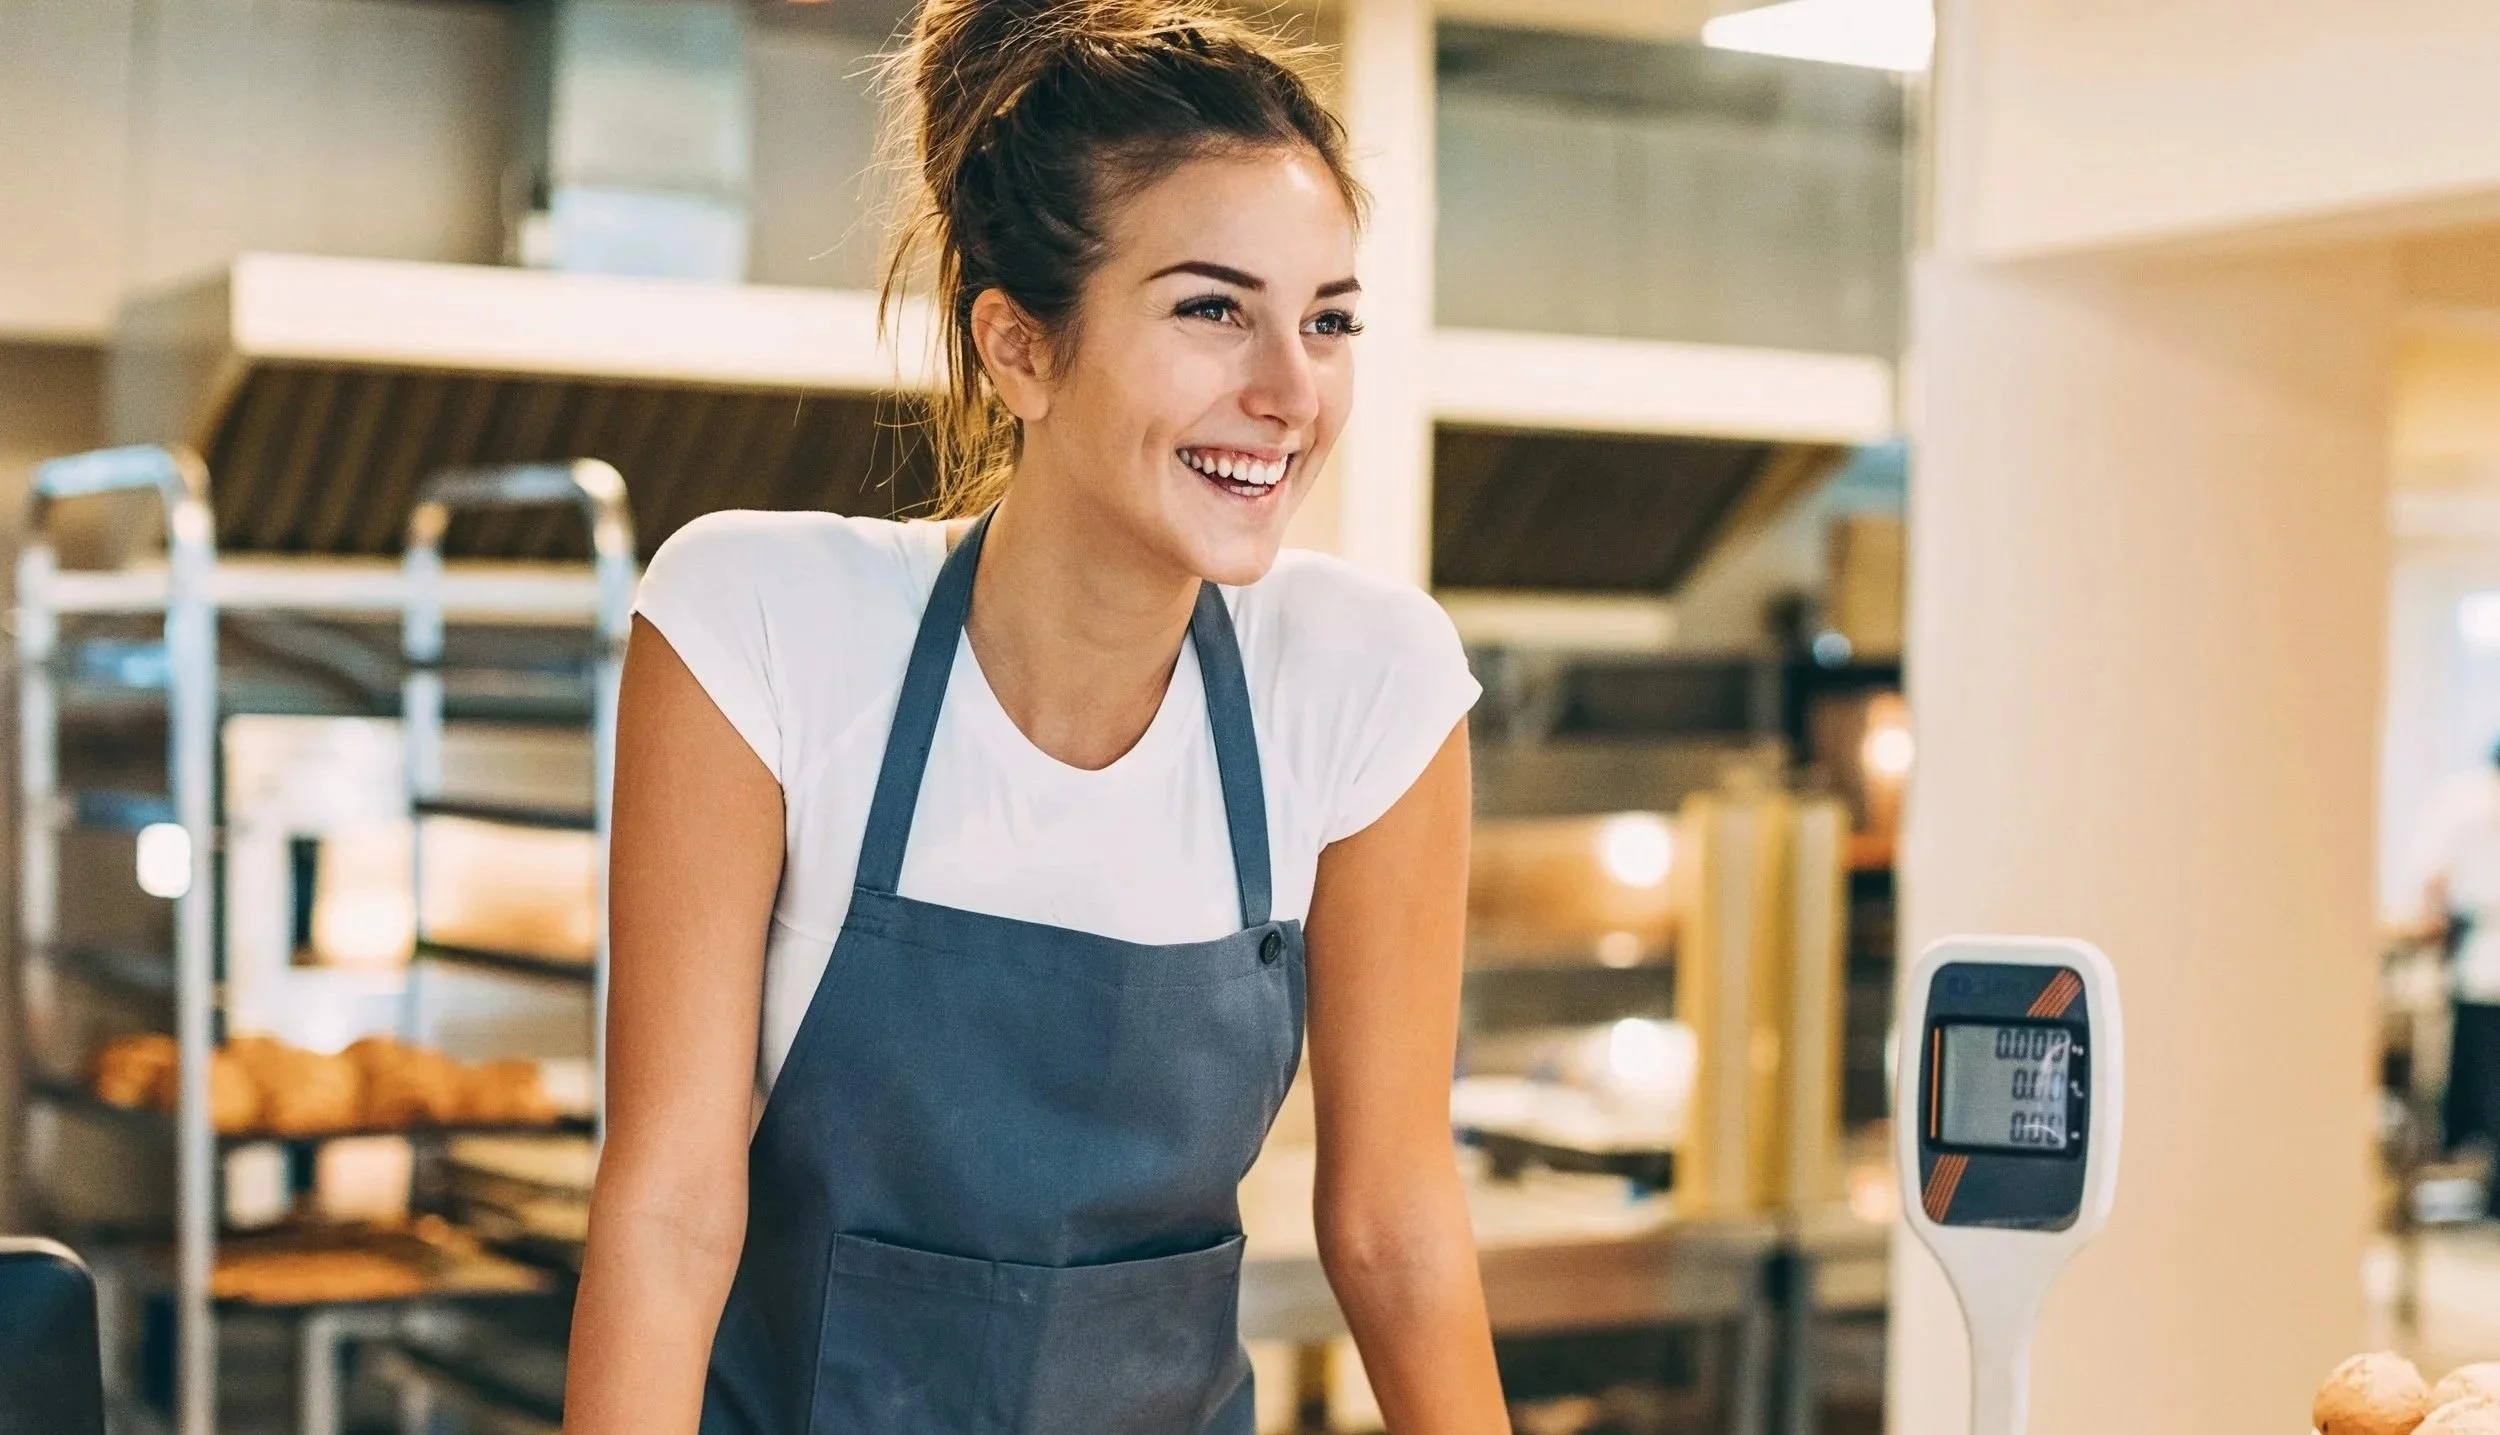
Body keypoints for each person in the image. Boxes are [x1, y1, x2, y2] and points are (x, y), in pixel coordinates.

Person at [561, 2, 1509, 1431]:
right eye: (1212, 309)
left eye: (1327, 320)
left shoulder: (1367, 679)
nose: (1290, 390)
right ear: (1018, 347)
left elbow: (1393, 1222)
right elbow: (672, 1208)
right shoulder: (760, 623)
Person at [2414, 739, 2500, 1205]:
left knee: (2488, 1082)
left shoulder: (2465, 800)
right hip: (2484, 956)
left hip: (2482, 960)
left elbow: (2434, 880)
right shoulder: (2469, 801)